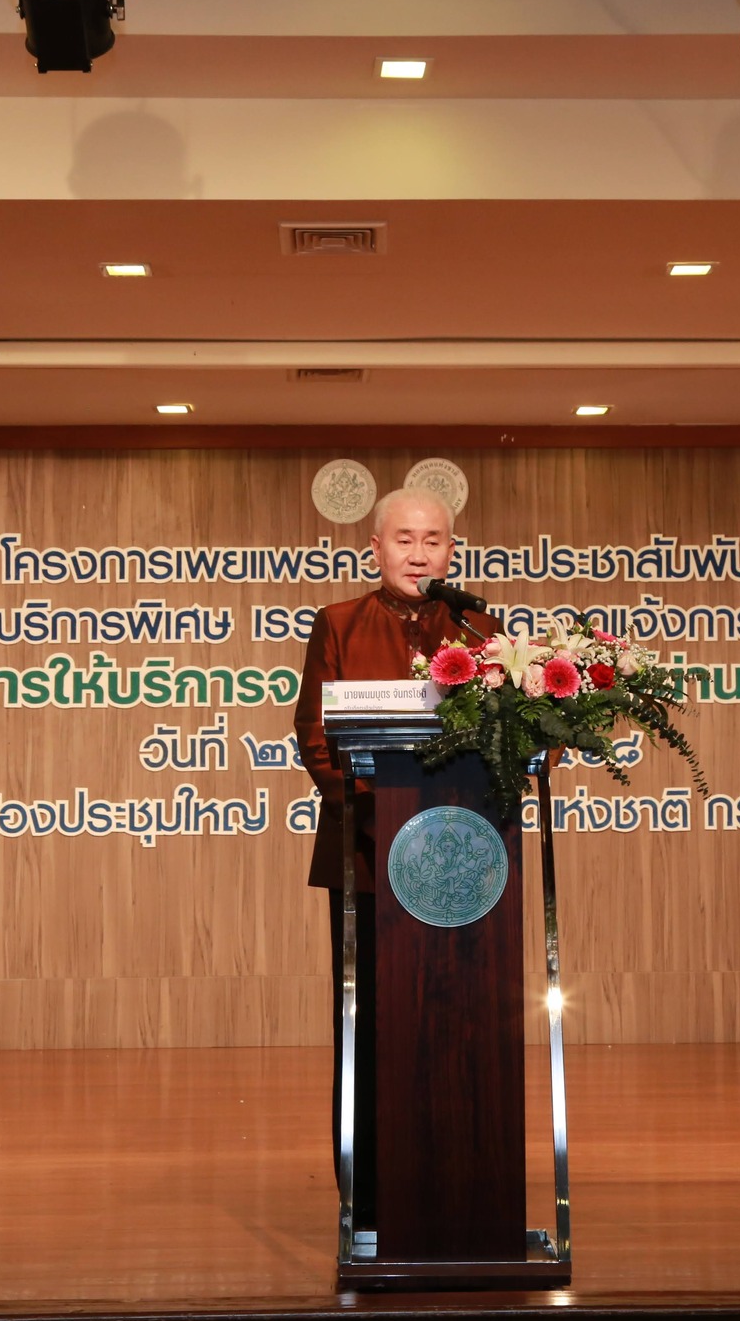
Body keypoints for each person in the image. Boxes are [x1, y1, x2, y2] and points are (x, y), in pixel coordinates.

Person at [292, 486, 499, 1230]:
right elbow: (316, 737)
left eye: (433, 540)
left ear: (452, 550)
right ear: (375, 549)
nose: (419, 554)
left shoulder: (479, 627)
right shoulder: (339, 622)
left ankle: (465, 1184)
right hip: (365, 856)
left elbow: (502, 736)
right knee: (371, 1026)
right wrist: (387, 819)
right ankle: (370, 1200)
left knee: (460, 1027)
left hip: (460, 858)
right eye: (404, 539)